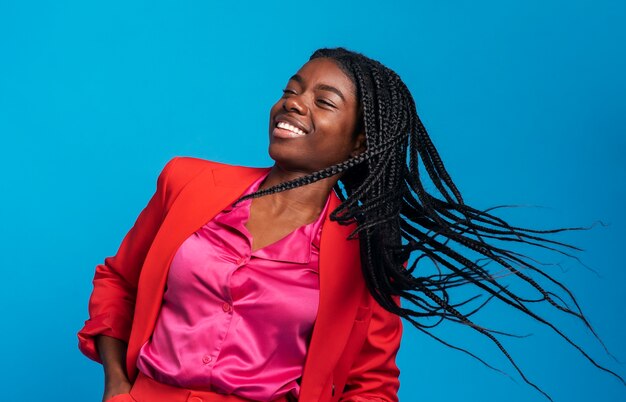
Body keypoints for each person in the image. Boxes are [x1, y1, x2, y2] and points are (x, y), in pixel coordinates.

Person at [78, 47, 622, 402]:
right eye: (292, 89)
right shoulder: (187, 182)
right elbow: (118, 282)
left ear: (360, 141)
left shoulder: (368, 252)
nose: (292, 104)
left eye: (323, 101)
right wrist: (117, 386)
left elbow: (372, 384)